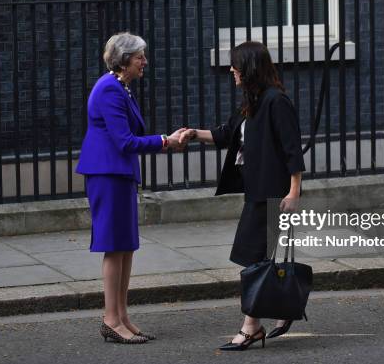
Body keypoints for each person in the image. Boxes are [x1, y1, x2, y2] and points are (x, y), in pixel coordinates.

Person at [180, 41, 305, 351]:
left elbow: (293, 151)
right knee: (261, 260)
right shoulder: (253, 101)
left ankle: (251, 327)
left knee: (255, 261)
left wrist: (293, 192)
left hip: (274, 194)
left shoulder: (277, 102)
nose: (231, 69)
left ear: (249, 67)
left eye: (235, 64)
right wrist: (194, 133)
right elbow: (226, 134)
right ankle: (278, 312)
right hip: (257, 192)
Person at [76, 32, 186, 344]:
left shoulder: (120, 87)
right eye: (140, 57)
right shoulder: (110, 89)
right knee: (114, 246)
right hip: (107, 174)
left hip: (118, 173)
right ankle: (111, 319)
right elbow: (124, 141)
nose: (145, 62)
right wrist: (166, 141)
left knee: (125, 245)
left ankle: (122, 315)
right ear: (125, 60)